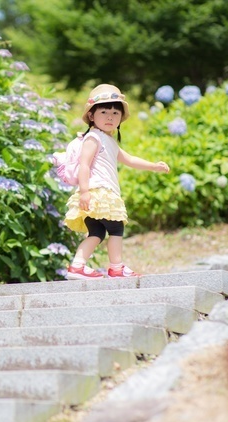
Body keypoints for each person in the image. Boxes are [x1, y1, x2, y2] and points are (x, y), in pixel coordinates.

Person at [64, 84, 170, 279]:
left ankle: (78, 265)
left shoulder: (109, 141)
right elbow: (84, 164)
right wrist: (84, 191)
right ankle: (116, 267)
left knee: (97, 233)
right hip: (98, 193)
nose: (110, 117)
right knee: (116, 227)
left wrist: (154, 166)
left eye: (115, 112)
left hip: (98, 193)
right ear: (91, 116)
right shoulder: (93, 138)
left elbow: (129, 159)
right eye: (104, 112)